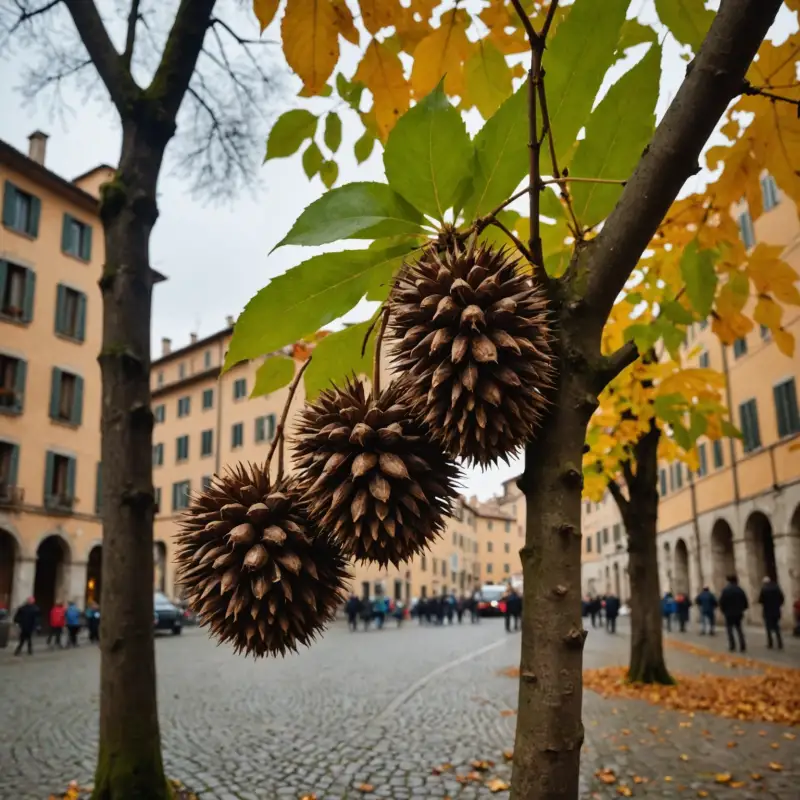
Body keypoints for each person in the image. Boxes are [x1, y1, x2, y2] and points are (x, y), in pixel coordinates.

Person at [719, 575, 748, 653]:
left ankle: (732, 645)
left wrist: (723, 610)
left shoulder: (725, 590)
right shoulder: (740, 590)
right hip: (738, 612)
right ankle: (742, 645)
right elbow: (745, 601)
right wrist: (742, 609)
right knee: (739, 629)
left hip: (728, 613)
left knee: (729, 629)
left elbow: (722, 601)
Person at [757, 576, 785, 650]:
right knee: (777, 627)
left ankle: (770, 643)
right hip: (776, 610)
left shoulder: (764, 589)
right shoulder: (776, 588)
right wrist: (777, 605)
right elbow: (782, 599)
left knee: (768, 628)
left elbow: (760, 600)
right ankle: (780, 643)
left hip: (767, 611)